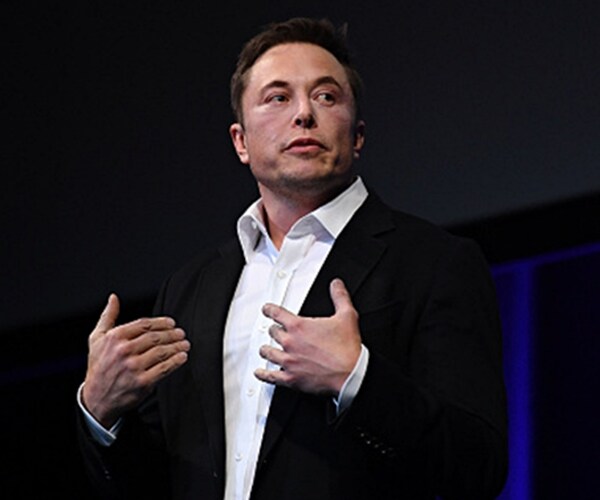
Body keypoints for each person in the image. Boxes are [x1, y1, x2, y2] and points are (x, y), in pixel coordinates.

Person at [77, 17, 508, 500]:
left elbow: (479, 465)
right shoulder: (191, 287)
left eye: (326, 96)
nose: (304, 113)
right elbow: (160, 482)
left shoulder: (435, 262)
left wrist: (357, 380)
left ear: (358, 135)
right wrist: (102, 410)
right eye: (278, 97)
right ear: (241, 142)